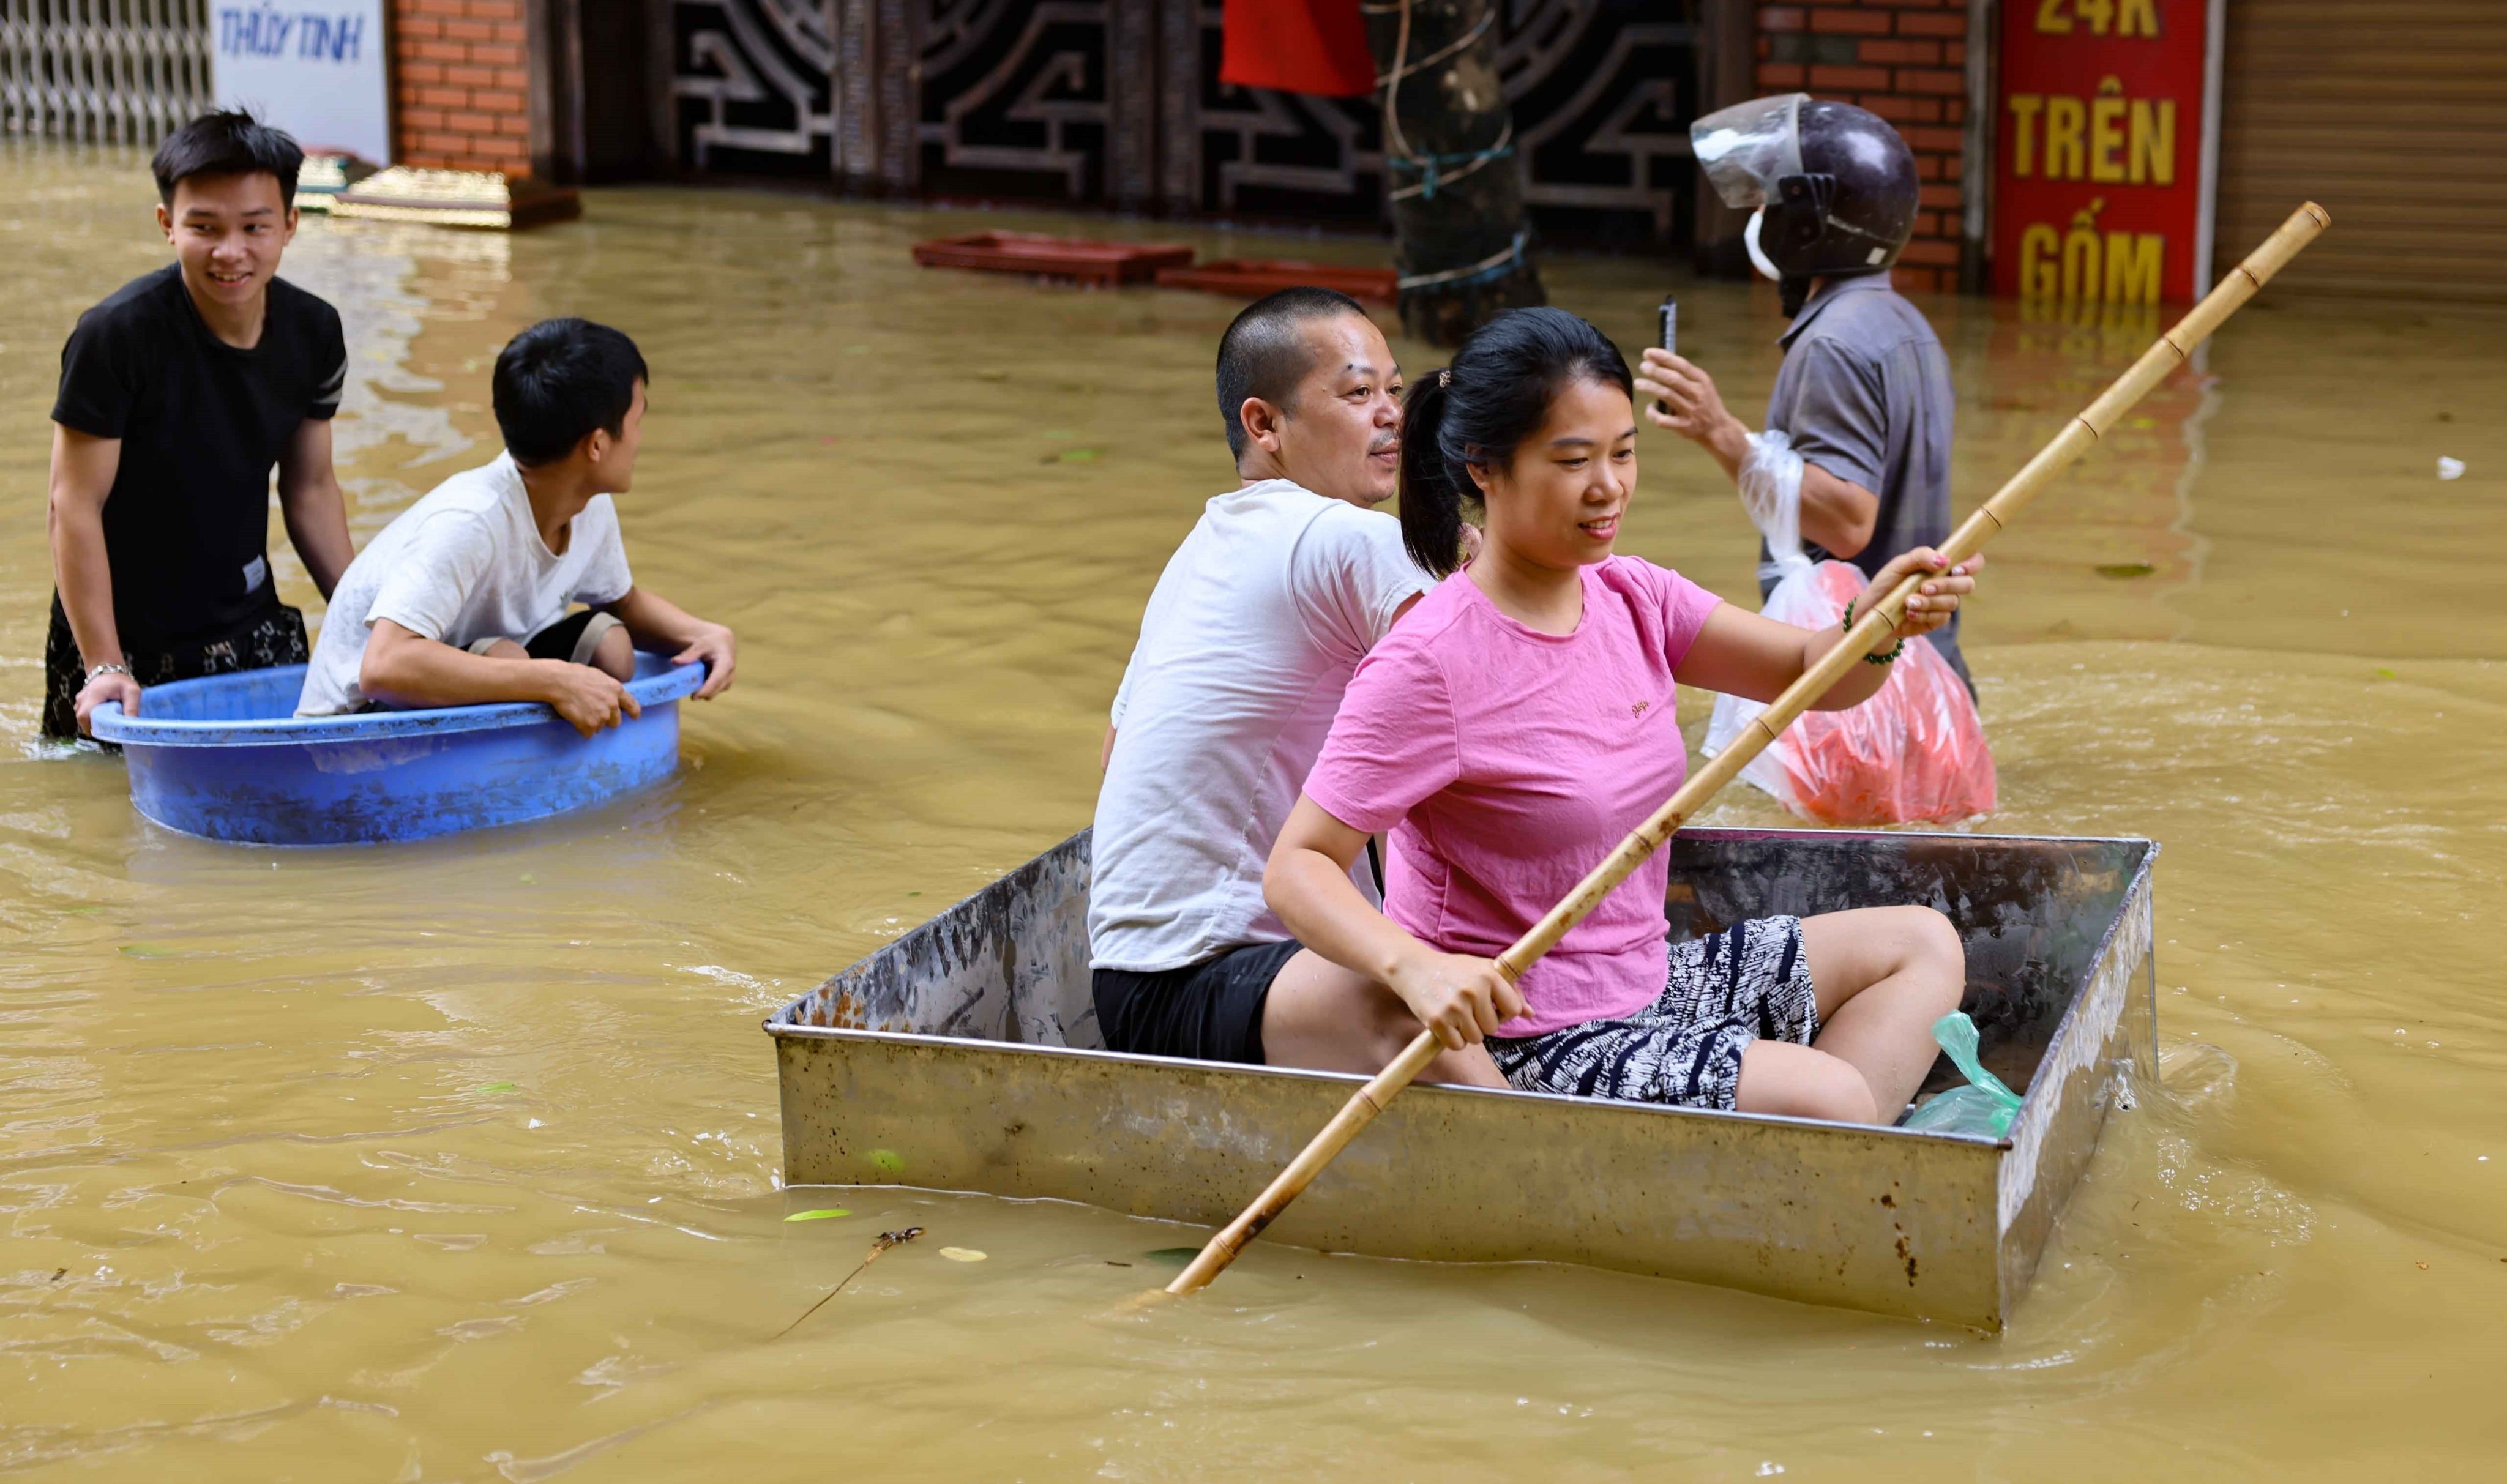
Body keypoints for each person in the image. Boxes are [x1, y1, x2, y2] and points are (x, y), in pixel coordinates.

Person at [1265, 307, 1979, 1124]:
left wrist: (1878, 626)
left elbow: (1814, 674)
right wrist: (1413, 969)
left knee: (1924, 943)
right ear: (1485, 468)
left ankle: (1819, 1154)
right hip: (1529, 1034)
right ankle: (1827, 1136)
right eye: (1574, 461)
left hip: (1650, 981)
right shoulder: (1429, 660)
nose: (1609, 487)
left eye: (1623, 453)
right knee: (1832, 1095)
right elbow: (1299, 867)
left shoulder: (1633, 595)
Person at [1089, 287, 1504, 1087]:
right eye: (1356, 393)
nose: (1390, 415)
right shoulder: (1351, 537)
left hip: (1130, 981)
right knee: (1415, 1011)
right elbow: (1494, 719)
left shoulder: (1199, 549)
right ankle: (1551, 1173)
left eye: (1394, 389)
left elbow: (1117, 751)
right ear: (1264, 425)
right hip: (1208, 973)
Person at [1639, 94, 1971, 690]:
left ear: (1809, 220)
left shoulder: (1831, 343)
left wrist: (1719, 432)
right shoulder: (1907, 326)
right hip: (1928, 679)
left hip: (1863, 688)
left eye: (1770, 199)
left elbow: (1846, 523)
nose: (1760, 212)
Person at [45, 110, 354, 740]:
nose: (231, 252)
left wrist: (370, 623)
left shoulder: (315, 332)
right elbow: (73, 502)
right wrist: (103, 662)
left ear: (290, 225)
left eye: (254, 227)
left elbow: (311, 490)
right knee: (105, 813)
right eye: (204, 228)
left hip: (252, 624)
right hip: (119, 640)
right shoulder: (115, 336)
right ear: (168, 225)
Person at [294, 318, 736, 729]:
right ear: (598, 445)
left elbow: (623, 605)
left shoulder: (586, 503)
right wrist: (552, 680)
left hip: (460, 674)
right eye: (638, 420)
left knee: (612, 645)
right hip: (351, 723)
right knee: (510, 658)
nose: (640, 438)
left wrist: (704, 634)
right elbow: (383, 667)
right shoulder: (470, 520)